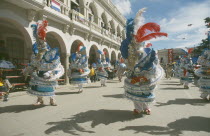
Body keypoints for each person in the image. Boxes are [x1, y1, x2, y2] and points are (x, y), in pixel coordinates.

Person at [120, 8, 167, 115]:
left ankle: (146, 107)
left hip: (146, 75)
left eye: (137, 39)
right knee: (135, 91)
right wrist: (129, 66)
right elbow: (127, 61)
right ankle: (138, 108)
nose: (135, 41)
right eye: (133, 38)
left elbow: (154, 62)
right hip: (133, 75)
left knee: (145, 92)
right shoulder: (128, 50)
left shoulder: (149, 51)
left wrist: (147, 71)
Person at [23, 20, 64, 106]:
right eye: (38, 37)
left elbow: (51, 57)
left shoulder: (46, 46)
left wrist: (43, 56)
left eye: (41, 37)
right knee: (38, 86)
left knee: (50, 85)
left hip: (48, 68)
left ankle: (52, 99)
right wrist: (30, 67)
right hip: (40, 69)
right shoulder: (35, 46)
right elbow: (35, 58)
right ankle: (40, 100)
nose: (40, 40)